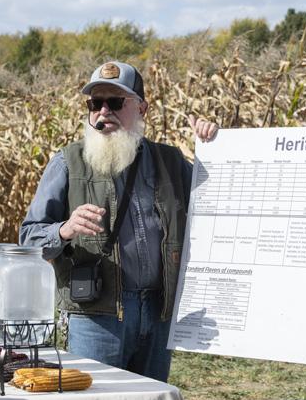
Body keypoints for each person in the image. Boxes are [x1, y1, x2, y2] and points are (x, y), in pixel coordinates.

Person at [20, 61, 218, 382]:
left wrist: (212, 149)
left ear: (142, 108)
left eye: (114, 102)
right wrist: (65, 229)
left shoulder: (169, 162)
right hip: (96, 318)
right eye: (94, 104)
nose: (103, 112)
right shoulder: (67, 163)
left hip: (158, 313)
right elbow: (29, 239)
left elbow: (221, 203)